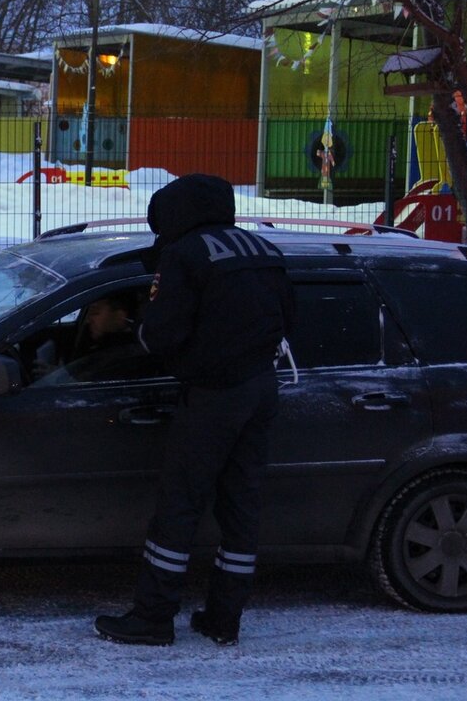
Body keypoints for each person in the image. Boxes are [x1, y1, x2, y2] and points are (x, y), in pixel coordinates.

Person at [92, 173, 294, 647]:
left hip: (214, 395)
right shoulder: (261, 249)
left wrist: (130, 325)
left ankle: (153, 616)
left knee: (179, 506)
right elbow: (289, 317)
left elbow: (161, 336)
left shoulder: (184, 255)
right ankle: (224, 618)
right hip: (262, 386)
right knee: (241, 504)